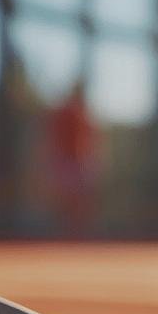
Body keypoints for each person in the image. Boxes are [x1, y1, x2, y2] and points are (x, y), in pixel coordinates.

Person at [47, 82, 97, 236]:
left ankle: (77, 233)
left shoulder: (84, 114)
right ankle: (64, 232)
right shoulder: (65, 113)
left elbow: (89, 140)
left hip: (78, 162)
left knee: (80, 202)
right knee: (65, 200)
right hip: (66, 161)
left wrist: (90, 160)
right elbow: (55, 139)